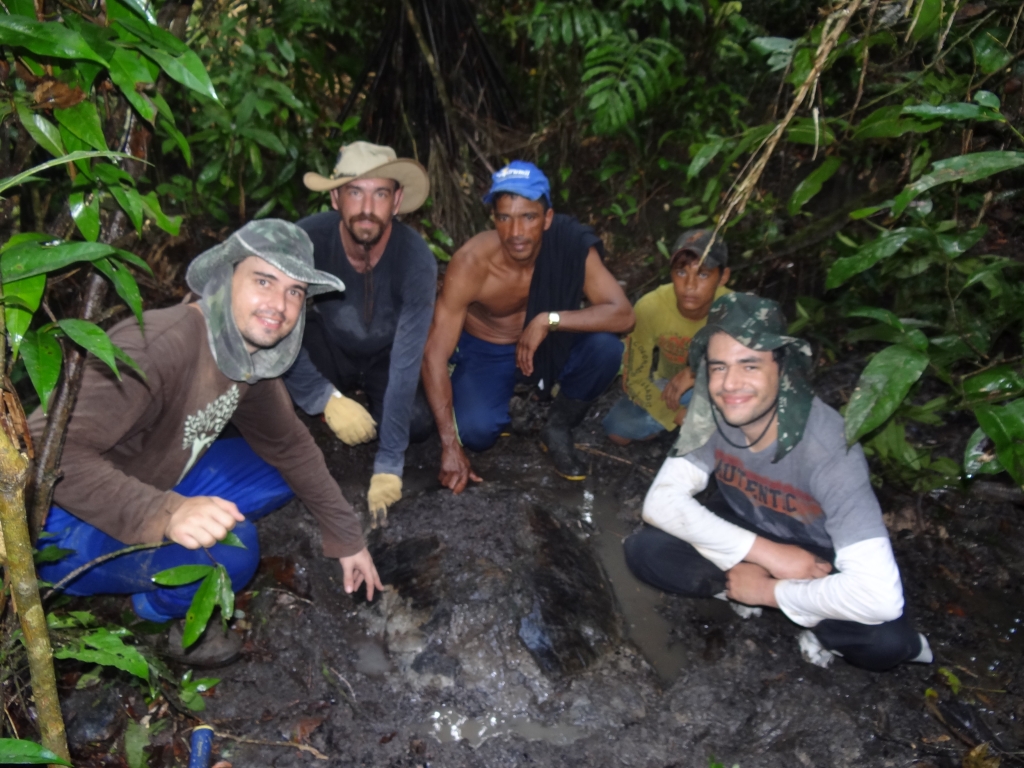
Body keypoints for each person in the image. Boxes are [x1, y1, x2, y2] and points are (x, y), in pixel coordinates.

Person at [32, 220, 383, 666]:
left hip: (155, 474)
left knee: (281, 468)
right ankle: (156, 612)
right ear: (225, 277)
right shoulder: (158, 345)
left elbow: (290, 446)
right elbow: (48, 453)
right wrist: (168, 512)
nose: (279, 304)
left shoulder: (243, 354)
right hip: (61, 525)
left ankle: (165, 552)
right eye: (263, 281)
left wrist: (347, 538)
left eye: (295, 291)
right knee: (233, 550)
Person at [623, 293, 933, 671]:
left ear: (783, 369)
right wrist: (766, 556)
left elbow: (880, 597)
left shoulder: (828, 447)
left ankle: (787, 612)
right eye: (718, 367)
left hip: (819, 552)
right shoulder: (713, 413)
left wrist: (771, 592)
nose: (730, 384)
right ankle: (740, 587)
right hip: (752, 528)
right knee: (647, 551)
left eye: (749, 366)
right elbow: (660, 504)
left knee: (888, 641)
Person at [421, 161, 634, 487]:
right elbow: (434, 354)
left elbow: (623, 314)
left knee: (605, 349)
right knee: (476, 433)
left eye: (528, 217)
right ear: (494, 219)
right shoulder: (471, 264)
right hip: (489, 350)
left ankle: (558, 423)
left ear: (547, 219)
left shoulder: (568, 246)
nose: (516, 232)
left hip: (548, 343)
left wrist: (549, 320)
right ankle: (510, 403)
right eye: (505, 217)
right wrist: (450, 445)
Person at [284, 141, 437, 527]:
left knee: (418, 424)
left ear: (397, 201)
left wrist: (388, 464)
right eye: (355, 192)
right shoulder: (306, 240)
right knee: (269, 390)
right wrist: (323, 397)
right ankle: (332, 409)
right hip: (329, 345)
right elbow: (273, 326)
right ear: (335, 198)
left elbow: (407, 360)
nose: (367, 208)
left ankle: (366, 408)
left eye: (380, 193)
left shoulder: (416, 258)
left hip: (386, 357)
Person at [603, 229, 731, 445]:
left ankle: (711, 431)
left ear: (723, 277)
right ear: (671, 273)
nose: (690, 286)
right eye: (681, 273)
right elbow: (635, 380)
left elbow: (754, 369)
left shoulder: (733, 310)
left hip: (718, 388)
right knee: (617, 430)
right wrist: (676, 416)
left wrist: (695, 373)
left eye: (702, 274)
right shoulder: (651, 307)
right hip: (671, 389)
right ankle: (689, 426)